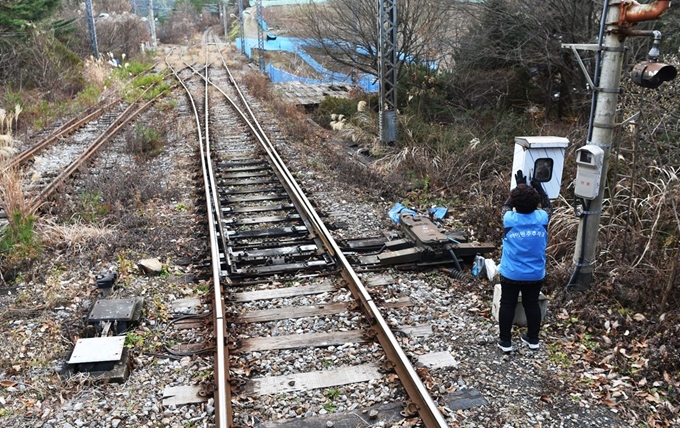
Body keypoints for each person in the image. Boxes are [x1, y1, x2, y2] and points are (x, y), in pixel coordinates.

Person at [497, 170, 552, 352]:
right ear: (535, 203)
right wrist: (538, 187)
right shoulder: (542, 218)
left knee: (507, 303)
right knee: (531, 303)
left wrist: (518, 186)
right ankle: (533, 339)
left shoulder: (509, 219)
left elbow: (507, 203)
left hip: (511, 272)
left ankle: (505, 342)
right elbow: (547, 205)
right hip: (535, 273)